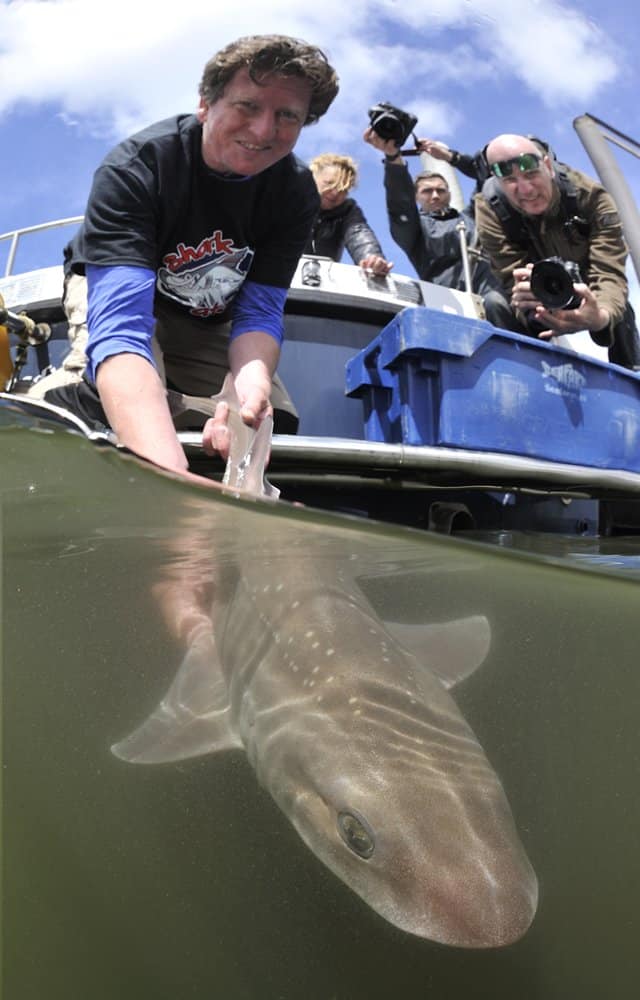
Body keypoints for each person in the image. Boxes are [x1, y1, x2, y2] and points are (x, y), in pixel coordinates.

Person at [30, 34, 339, 473]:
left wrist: (247, 390)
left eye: (287, 115)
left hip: (208, 311)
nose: (263, 130)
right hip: (123, 289)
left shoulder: (294, 194)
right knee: (106, 394)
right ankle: (48, 404)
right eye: (247, 106)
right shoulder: (137, 168)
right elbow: (123, 330)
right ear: (205, 104)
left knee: (271, 419)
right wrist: (176, 486)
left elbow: (260, 311)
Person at [475, 133, 640, 370]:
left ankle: (632, 386)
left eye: (531, 174)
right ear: (497, 181)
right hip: (536, 296)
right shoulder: (489, 210)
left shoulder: (592, 198)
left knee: (618, 308)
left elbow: (609, 272)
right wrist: (531, 305)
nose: (526, 190)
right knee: (494, 303)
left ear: (548, 166)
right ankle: (524, 378)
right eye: (510, 180)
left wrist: (600, 317)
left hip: (587, 290)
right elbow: (509, 273)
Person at [362, 127, 510, 324]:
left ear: (449, 193)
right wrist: (393, 158)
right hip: (446, 308)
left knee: (496, 303)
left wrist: (450, 157)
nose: (435, 195)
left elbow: (488, 176)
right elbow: (401, 206)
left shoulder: (473, 217)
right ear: (416, 196)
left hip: (496, 302)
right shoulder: (415, 230)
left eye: (441, 190)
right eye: (427, 191)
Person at [305, 153, 392, 275]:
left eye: (343, 189)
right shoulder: (289, 199)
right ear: (312, 178)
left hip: (323, 280)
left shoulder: (348, 211)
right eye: (329, 183)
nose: (335, 193)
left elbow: (359, 234)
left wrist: (371, 259)